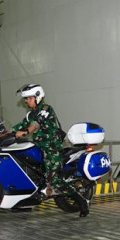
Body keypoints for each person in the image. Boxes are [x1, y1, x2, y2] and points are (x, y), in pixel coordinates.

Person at [12, 83, 89, 217]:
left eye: (29, 98)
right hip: (40, 148)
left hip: (52, 149)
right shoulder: (31, 114)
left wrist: (25, 131)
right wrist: (5, 133)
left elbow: (35, 125)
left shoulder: (46, 109)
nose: (26, 101)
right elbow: (21, 125)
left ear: (37, 96)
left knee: (54, 181)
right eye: (26, 99)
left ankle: (81, 201)